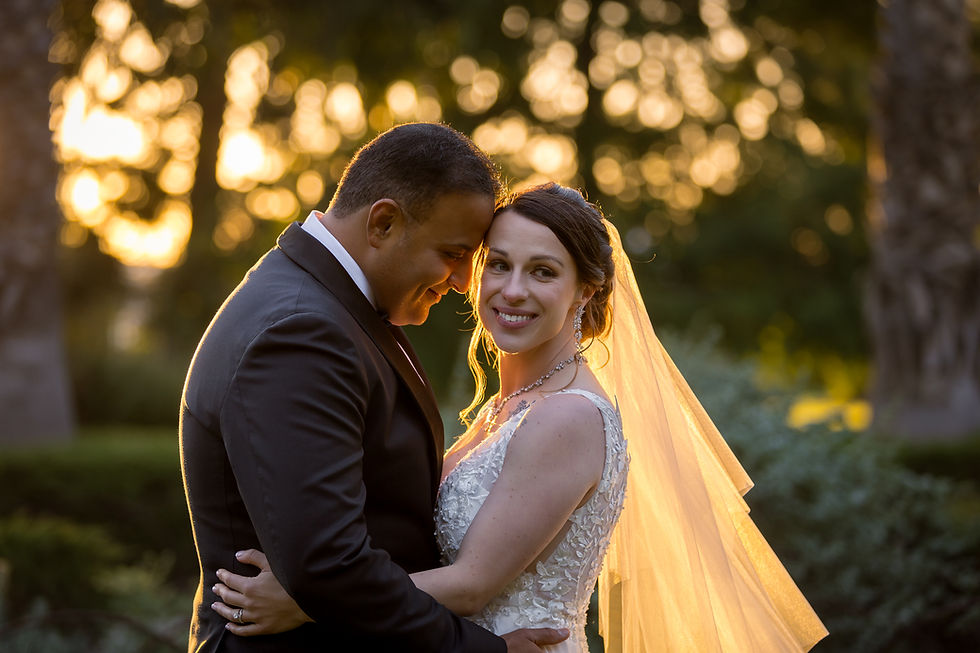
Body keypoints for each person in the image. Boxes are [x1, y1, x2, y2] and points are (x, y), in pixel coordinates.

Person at [211, 183, 829, 651]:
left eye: (542, 272)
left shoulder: (569, 418)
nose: (510, 290)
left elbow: (475, 583)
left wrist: (309, 600)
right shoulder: (507, 406)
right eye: (498, 264)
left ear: (585, 292)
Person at [179, 123, 569, 652]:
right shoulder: (301, 331)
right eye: (453, 253)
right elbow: (328, 566)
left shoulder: (333, 309)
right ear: (383, 223)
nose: (461, 282)